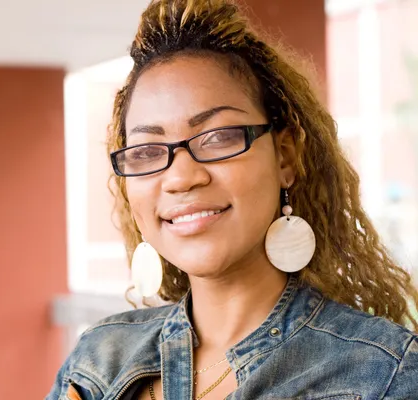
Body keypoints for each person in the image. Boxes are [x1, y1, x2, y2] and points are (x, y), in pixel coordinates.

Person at [47, 0, 418, 399]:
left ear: (285, 157)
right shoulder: (96, 361)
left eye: (218, 137)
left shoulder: (383, 374)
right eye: (147, 151)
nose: (181, 177)